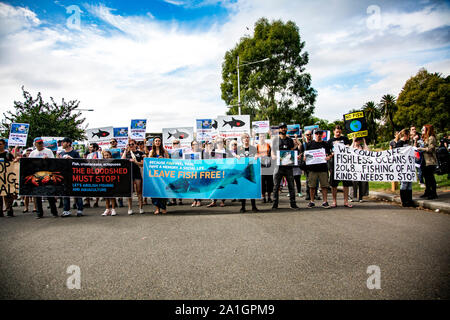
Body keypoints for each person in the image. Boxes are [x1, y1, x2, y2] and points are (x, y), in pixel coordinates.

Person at [28, 137, 59, 219]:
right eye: (39, 143)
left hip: (47, 175)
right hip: (37, 175)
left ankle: (54, 212)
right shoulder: (33, 153)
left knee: (49, 194)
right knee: (37, 195)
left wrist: (47, 160)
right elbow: (29, 164)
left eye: (41, 142)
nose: (41, 144)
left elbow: (53, 162)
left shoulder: (48, 151)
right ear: (35, 144)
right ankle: (39, 213)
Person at [271, 122, 299, 210]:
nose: (283, 129)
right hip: (278, 166)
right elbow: (272, 151)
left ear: (286, 129)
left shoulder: (289, 140)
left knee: (291, 185)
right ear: (279, 129)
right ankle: (275, 204)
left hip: (288, 166)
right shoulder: (275, 139)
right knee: (276, 186)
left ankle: (293, 203)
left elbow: (291, 151)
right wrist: (273, 156)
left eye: (284, 128)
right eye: (281, 128)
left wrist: (295, 151)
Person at [304, 129, 332, 209]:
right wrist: (305, 158)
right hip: (312, 169)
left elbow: (330, 154)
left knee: (324, 186)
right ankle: (312, 201)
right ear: (314, 134)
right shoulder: (309, 144)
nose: (318, 135)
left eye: (320, 133)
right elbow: (306, 155)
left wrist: (328, 157)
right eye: (317, 133)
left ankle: (325, 202)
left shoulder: (325, 144)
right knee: (312, 186)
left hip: (323, 168)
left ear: (322, 134)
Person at [328, 125, 353, 208]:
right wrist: (331, 154)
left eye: (339, 132)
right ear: (333, 132)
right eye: (336, 131)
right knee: (333, 184)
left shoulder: (345, 139)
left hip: (344, 164)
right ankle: (334, 201)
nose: (338, 133)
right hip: (334, 164)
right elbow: (327, 153)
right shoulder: (330, 141)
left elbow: (350, 149)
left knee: (346, 183)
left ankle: (346, 201)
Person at [58, 137, 84, 217]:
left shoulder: (75, 153)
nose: (62, 144)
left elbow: (80, 164)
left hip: (74, 175)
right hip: (65, 176)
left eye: (64, 142)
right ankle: (66, 210)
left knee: (77, 193)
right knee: (65, 193)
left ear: (68, 143)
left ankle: (79, 210)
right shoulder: (61, 153)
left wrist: (72, 159)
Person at [236, 133, 259, 213]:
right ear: (242, 140)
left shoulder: (253, 148)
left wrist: (256, 156)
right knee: (243, 189)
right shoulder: (239, 149)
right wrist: (236, 156)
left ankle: (254, 206)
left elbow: (256, 155)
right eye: (244, 138)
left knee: (252, 188)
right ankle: (243, 207)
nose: (246, 139)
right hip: (242, 172)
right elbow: (234, 158)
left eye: (247, 138)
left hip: (251, 171)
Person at [122, 139, 145, 214]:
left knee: (139, 191)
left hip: (137, 173)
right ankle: (130, 208)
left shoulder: (140, 153)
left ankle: (141, 207)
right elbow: (122, 160)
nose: (131, 146)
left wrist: (135, 162)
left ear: (135, 144)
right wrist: (125, 150)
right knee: (129, 192)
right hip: (129, 174)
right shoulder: (127, 153)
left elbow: (142, 164)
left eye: (132, 144)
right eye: (129, 144)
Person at [416, 125, 438, 200]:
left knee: (430, 177)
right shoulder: (424, 138)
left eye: (424, 129)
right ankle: (428, 191)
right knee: (426, 177)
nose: (422, 130)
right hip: (424, 161)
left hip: (430, 160)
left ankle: (433, 193)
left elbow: (431, 149)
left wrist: (422, 148)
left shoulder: (431, 138)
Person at [207, 137, 229, 208]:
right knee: (214, 185)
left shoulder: (226, 150)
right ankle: (213, 201)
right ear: (216, 143)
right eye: (218, 142)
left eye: (221, 142)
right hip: (215, 170)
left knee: (223, 185)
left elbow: (229, 160)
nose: (220, 143)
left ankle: (222, 201)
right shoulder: (214, 150)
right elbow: (210, 160)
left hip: (223, 170)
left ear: (223, 143)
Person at [149, 137, 169, 214]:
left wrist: (163, 159)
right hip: (154, 175)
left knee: (163, 191)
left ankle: (163, 207)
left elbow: (169, 162)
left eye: (159, 141)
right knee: (155, 191)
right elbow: (149, 162)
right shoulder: (151, 151)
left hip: (163, 175)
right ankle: (157, 208)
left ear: (161, 142)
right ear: (154, 142)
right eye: (156, 141)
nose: (157, 142)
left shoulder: (164, 151)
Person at [351, 137, 370, 203]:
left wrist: (364, 142)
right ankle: (354, 196)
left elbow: (367, 151)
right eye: (356, 141)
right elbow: (349, 151)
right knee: (354, 182)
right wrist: (353, 141)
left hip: (361, 167)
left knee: (362, 182)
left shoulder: (361, 147)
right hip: (354, 167)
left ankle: (361, 197)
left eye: (359, 141)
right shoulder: (352, 147)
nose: (357, 142)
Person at [0, 138, 15, 217]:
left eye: (0, 144)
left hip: (7, 177)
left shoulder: (8, 154)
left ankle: (9, 210)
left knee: (8, 195)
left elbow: (14, 162)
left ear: (3, 145)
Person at [256, 133, 273, 203]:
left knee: (269, 182)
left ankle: (269, 196)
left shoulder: (268, 145)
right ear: (259, 138)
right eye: (260, 136)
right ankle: (263, 196)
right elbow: (255, 154)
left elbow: (271, 153)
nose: (262, 138)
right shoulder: (257, 146)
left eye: (263, 136)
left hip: (268, 165)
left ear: (265, 137)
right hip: (261, 166)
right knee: (262, 182)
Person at [85, 143, 102, 208]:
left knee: (96, 187)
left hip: (96, 172)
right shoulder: (88, 155)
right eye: (89, 147)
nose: (90, 148)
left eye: (91, 147)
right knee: (87, 187)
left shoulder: (98, 154)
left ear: (95, 148)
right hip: (89, 172)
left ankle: (96, 202)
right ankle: (87, 202)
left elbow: (100, 163)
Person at [101, 150, 117, 216]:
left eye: (108, 155)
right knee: (106, 196)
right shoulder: (101, 163)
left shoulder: (114, 162)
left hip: (112, 180)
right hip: (105, 180)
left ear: (110, 155)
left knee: (112, 196)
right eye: (105, 155)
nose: (106, 156)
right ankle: (107, 209)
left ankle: (113, 209)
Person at [189, 140, 203, 207]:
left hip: (199, 171)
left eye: (196, 144)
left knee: (199, 186)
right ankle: (195, 200)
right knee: (192, 185)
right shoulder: (188, 153)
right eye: (194, 144)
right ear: (191, 146)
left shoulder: (201, 153)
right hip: (192, 171)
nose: (195, 146)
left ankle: (199, 200)